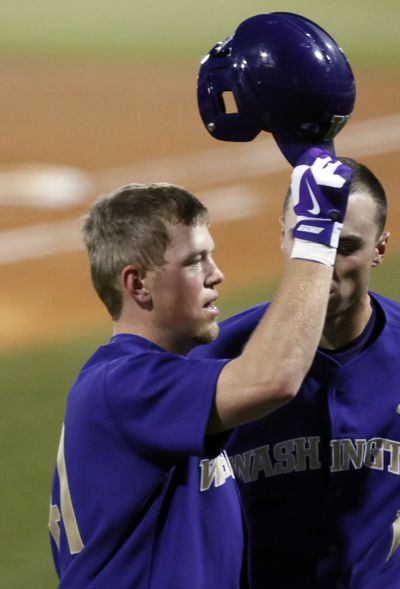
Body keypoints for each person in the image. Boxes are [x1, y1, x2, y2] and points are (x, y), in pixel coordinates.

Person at [48, 149, 352, 589]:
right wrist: (314, 238)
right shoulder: (125, 386)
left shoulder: (169, 377)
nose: (218, 274)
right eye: (194, 261)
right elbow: (274, 377)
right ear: (137, 284)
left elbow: (276, 339)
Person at [193, 156, 398, 589]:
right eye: (310, 240)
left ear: (380, 249)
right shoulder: (216, 361)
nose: (324, 266)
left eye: (345, 248)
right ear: (283, 238)